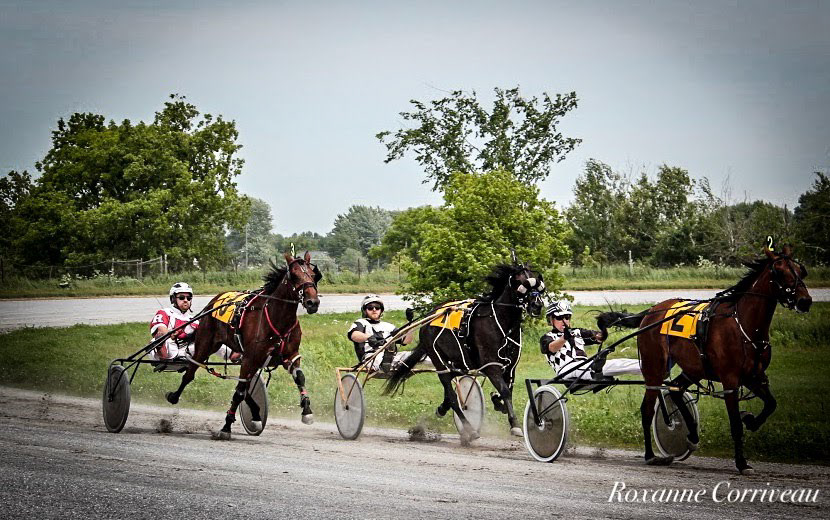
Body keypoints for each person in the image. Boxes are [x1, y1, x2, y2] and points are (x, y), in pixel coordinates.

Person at [540, 299, 641, 380]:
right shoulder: (547, 337)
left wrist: (605, 326)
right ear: (551, 320)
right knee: (590, 367)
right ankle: (596, 369)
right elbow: (552, 348)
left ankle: (645, 366)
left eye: (567, 317)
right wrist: (564, 338)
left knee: (618, 363)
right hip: (566, 370)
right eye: (559, 318)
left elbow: (598, 337)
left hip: (585, 365)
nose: (564, 321)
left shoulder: (577, 332)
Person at [149, 282, 240, 362]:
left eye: (188, 298)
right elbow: (161, 329)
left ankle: (234, 354)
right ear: (173, 299)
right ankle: (163, 355)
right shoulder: (165, 312)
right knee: (160, 337)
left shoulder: (193, 320)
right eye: (181, 297)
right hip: (168, 347)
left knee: (212, 338)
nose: (185, 300)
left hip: (184, 351)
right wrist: (172, 335)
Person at [347, 294, 414, 372]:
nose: (374, 310)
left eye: (377, 307)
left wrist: (410, 323)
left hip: (393, 357)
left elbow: (406, 341)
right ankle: (385, 363)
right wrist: (368, 337)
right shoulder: (361, 323)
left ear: (381, 310)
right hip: (370, 358)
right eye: (370, 308)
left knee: (417, 354)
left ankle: (388, 361)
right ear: (365, 310)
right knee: (381, 357)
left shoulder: (389, 326)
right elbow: (354, 335)